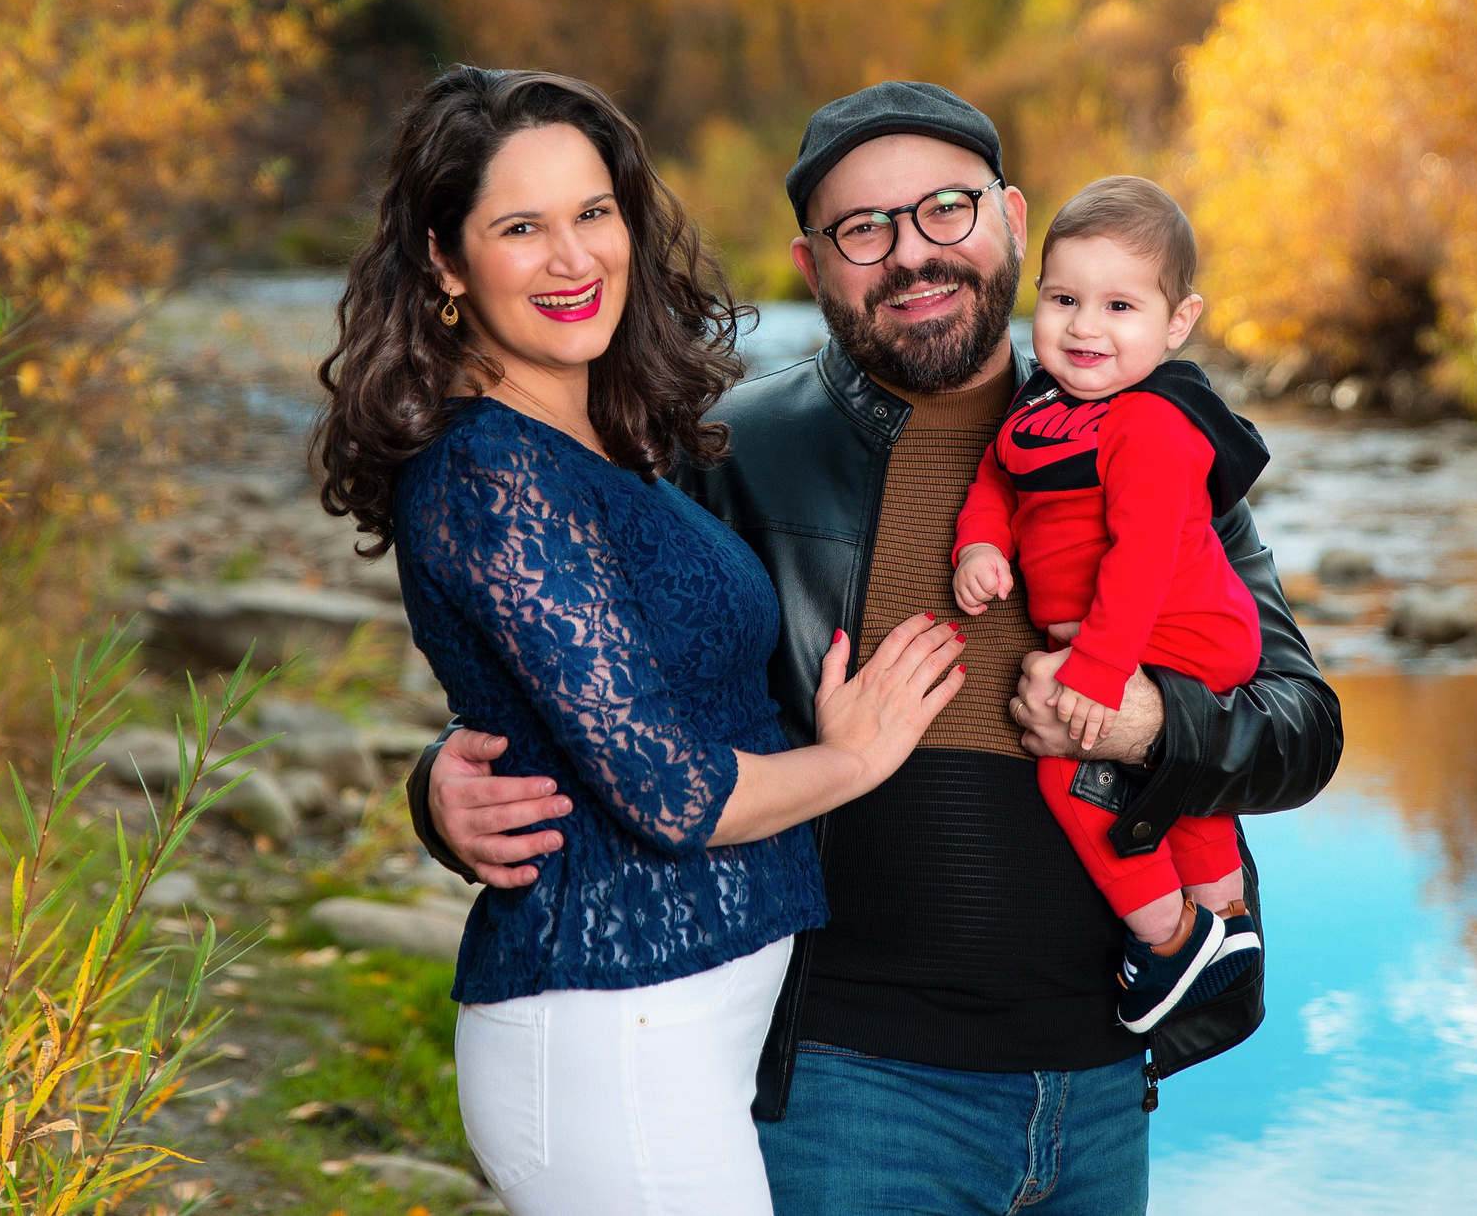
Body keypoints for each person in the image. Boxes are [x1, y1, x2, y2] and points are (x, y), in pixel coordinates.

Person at [412, 81, 1343, 1215]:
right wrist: (442, 788)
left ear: (1010, 216)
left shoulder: (1158, 436)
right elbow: (579, 655)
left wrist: (1151, 719)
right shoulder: (730, 449)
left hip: (1100, 1077)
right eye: (864, 229)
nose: (912, 254)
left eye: (945, 209)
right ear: (813, 267)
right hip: (850, 1092)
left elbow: (1302, 727)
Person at [316, 68, 968, 1216]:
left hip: (679, 1021)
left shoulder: (606, 438)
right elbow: (668, 790)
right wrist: (856, 757)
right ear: (444, 261)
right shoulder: (488, 470)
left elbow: (583, 692)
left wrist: (439, 779)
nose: (574, 259)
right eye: (521, 226)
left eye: (592, 211)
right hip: (608, 1030)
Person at [952, 175, 1270, 1037]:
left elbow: (1142, 560)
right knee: (1191, 799)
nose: (1085, 326)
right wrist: (981, 544)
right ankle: (1223, 919)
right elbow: (996, 476)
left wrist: (1095, 673)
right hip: (1127, 638)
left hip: (1180, 630)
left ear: (1177, 322)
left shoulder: (1154, 424)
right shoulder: (1039, 409)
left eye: (1120, 305)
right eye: (1064, 299)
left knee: (1071, 767)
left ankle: (1167, 938)